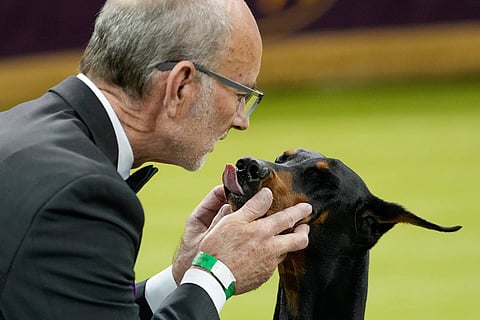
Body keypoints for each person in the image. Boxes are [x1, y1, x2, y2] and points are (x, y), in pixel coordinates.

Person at [0, 0, 311, 319]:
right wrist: (217, 275)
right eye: (240, 95)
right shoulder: (81, 192)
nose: (241, 120)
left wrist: (182, 276)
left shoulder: (20, 127)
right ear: (180, 85)